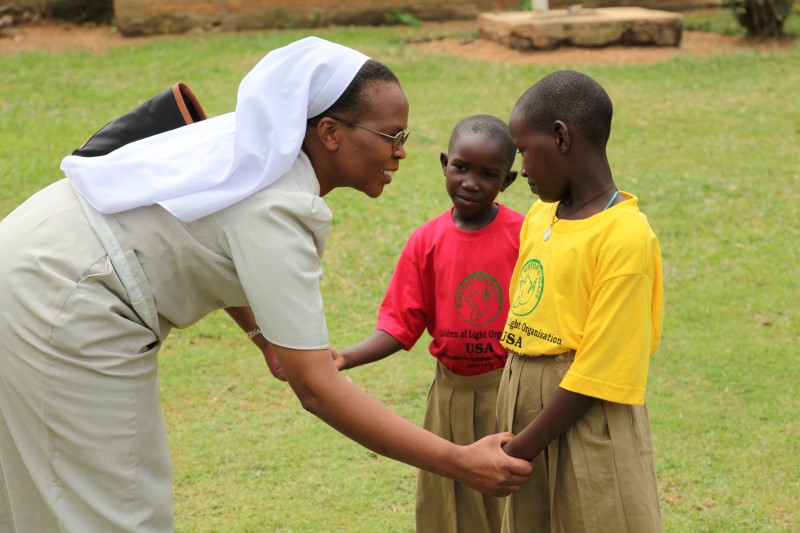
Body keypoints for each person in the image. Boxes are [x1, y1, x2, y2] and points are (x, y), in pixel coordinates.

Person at [0, 37, 532, 532]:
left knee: (37, 501)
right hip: (63, 299)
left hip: (33, 260)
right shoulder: (279, 206)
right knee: (119, 515)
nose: (401, 153)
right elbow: (317, 389)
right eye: (392, 137)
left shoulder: (249, 146)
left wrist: (262, 336)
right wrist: (457, 460)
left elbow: (212, 231)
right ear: (329, 132)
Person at [333, 115, 523, 533]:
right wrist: (345, 357)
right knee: (447, 499)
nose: (471, 182)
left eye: (488, 174)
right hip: (449, 395)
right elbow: (400, 325)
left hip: (509, 392)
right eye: (461, 167)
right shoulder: (427, 241)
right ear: (444, 164)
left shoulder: (523, 237)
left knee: (510, 501)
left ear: (507, 181)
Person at [497, 70, 663, 532]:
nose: (522, 168)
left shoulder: (624, 236)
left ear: (561, 137)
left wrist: (520, 448)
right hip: (522, 403)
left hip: (586, 416)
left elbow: (600, 370)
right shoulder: (540, 214)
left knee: (597, 516)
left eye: (525, 150)